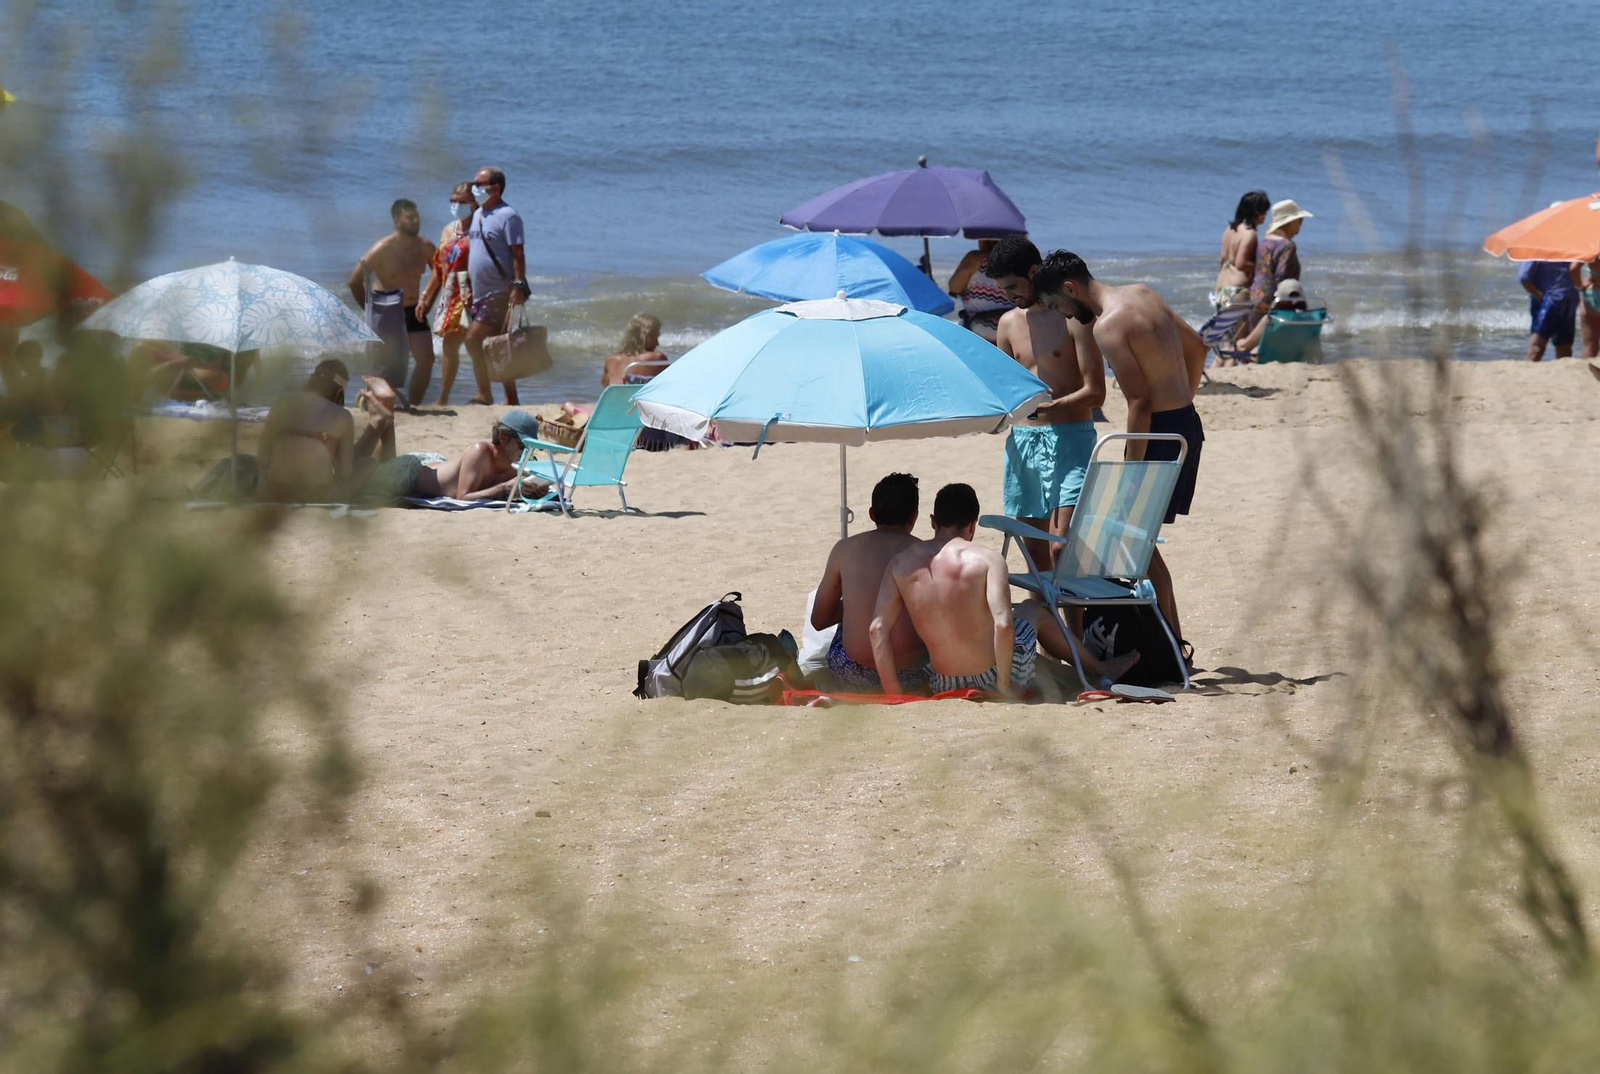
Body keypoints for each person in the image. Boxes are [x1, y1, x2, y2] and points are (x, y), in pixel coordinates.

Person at [1030, 250, 1206, 654]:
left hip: (1156, 433)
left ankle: (1173, 647)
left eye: (1060, 305)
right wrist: (1182, 403)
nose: (1066, 316)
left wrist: (1131, 468)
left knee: (1132, 539)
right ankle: (1174, 643)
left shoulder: (1106, 326)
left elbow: (1139, 401)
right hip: (1185, 426)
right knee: (1139, 542)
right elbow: (1197, 347)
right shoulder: (1144, 293)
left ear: (1071, 289)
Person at [987, 236, 1106, 572]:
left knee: (1062, 548)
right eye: (1002, 289)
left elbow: (1097, 393)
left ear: (1034, 271)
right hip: (1024, 445)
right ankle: (1048, 624)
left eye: (1012, 285)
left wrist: (1050, 408)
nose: (1008, 295)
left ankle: (1075, 624)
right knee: (1036, 558)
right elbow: (1003, 391)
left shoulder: (1073, 317)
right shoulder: (1008, 324)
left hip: (1071, 439)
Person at [869, 483, 1037, 696]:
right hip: (991, 677)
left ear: (933, 522)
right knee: (1033, 609)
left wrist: (894, 694)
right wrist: (1003, 687)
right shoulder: (988, 559)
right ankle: (1088, 669)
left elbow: (877, 629)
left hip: (943, 682)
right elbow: (1003, 625)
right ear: (973, 524)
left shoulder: (900, 564)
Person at [811, 473, 928, 691]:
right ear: (914, 516)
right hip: (914, 673)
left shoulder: (845, 549)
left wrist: (857, 602)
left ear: (872, 514)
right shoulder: (926, 554)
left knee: (844, 626)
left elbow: (819, 620)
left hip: (853, 672)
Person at [257, 360, 394, 503]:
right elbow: (345, 473)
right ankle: (379, 421)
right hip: (317, 496)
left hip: (274, 493)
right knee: (367, 464)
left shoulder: (279, 405)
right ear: (339, 391)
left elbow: (262, 460)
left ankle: (377, 422)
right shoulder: (342, 416)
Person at [348, 199, 436, 406]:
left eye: (417, 217)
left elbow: (441, 272)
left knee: (427, 359)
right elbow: (354, 281)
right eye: (410, 218)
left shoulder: (425, 247)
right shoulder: (383, 248)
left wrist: (428, 299)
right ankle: (369, 397)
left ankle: (414, 406)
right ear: (397, 221)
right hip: (386, 310)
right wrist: (370, 311)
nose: (416, 221)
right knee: (385, 368)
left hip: (413, 310)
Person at [363, 409, 550, 502]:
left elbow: (513, 489)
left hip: (439, 466)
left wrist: (533, 491)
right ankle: (381, 420)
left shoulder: (515, 464)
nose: (527, 452)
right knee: (357, 481)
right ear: (503, 438)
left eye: (532, 448)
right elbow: (463, 497)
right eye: (523, 445)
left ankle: (385, 421)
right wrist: (506, 489)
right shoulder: (480, 452)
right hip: (411, 473)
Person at [463, 166, 530, 407]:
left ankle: (484, 393)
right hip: (480, 292)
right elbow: (475, 253)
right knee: (500, 345)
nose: (475, 189)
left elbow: (518, 254)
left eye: (479, 185)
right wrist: (469, 285)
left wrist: (518, 286)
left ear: (495, 188)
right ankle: (511, 397)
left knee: (472, 340)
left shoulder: (508, 215)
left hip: (499, 291)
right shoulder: (478, 214)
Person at [414, 183, 477, 405]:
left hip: (473, 289)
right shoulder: (449, 229)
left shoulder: (482, 229)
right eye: (454, 200)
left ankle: (444, 398)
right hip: (451, 291)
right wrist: (426, 297)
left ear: (475, 202)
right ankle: (480, 393)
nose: (457, 205)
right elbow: (439, 267)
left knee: (462, 343)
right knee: (457, 344)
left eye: (463, 201)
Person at [1246, 199, 1312, 334]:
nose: (1300, 228)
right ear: (1290, 222)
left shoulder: (1265, 242)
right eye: (1300, 222)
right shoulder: (1287, 246)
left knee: (1258, 342)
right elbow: (1282, 278)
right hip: (1272, 301)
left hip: (1255, 296)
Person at [946, 238, 1013, 342]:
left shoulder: (976, 258)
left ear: (984, 239)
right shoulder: (1019, 260)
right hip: (1012, 332)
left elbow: (954, 287)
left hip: (977, 333)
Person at [1213, 191, 1269, 310]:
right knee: (1244, 327)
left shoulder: (1229, 230)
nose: (1265, 216)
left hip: (1220, 289)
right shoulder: (1250, 234)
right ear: (1255, 212)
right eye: (1263, 212)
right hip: (1237, 290)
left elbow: (1222, 260)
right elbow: (1241, 263)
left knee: (1227, 327)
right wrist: (1262, 267)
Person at [1518, 259, 1579, 362]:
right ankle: (1528, 374)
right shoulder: (1537, 251)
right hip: (1550, 300)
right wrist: (1541, 297)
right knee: (1537, 346)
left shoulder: (1568, 249)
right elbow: (1524, 277)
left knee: (1565, 347)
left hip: (1568, 299)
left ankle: (1562, 376)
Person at [1230, 278, 1311, 355]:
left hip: (1271, 358)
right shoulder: (1310, 319)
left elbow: (1244, 346)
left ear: (1279, 299)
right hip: (1297, 357)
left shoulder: (1272, 319)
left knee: (1245, 349)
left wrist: (1237, 342)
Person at [601, 313, 669, 387]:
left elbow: (606, 389)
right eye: (655, 337)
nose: (657, 343)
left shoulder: (611, 360)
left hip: (616, 398)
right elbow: (673, 384)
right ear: (646, 336)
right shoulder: (657, 358)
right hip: (640, 398)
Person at [1576, 256, 1600, 360]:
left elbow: (1573, 268)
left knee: (1590, 344)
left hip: (1592, 294)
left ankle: (1587, 374)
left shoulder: (1593, 249)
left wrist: (1579, 285)